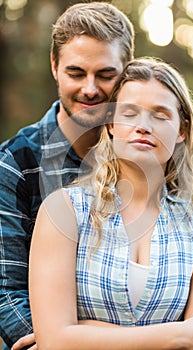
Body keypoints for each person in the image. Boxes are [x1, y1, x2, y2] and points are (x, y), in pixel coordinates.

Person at [28, 57, 193, 350]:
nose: (143, 126)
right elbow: (55, 341)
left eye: (160, 115)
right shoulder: (64, 211)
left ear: (182, 131)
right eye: (129, 113)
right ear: (111, 124)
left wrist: (83, 331)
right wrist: (178, 334)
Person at [0, 2, 134, 349]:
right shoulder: (15, 161)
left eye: (105, 75)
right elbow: (5, 289)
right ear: (55, 66)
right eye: (76, 73)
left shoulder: (149, 157)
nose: (90, 89)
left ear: (127, 71)